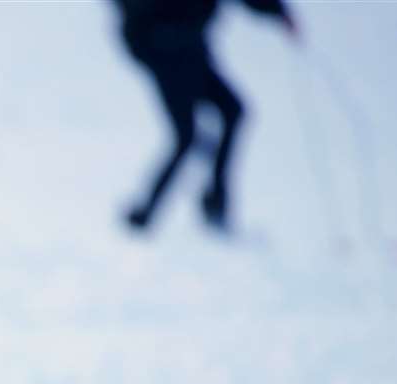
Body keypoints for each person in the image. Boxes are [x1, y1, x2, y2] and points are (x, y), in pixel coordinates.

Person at [115, 0, 297, 231]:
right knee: (187, 136)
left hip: (191, 50)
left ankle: (213, 202)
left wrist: (279, 12)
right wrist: (153, 41)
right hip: (165, 53)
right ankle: (146, 214)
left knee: (231, 112)